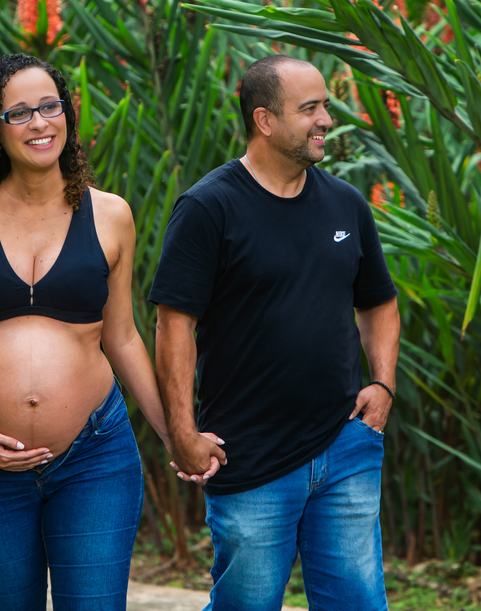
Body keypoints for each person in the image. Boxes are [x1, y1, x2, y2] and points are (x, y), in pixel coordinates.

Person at [0, 54, 202, 611]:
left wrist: (175, 431)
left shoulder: (110, 215)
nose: (39, 123)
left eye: (50, 107)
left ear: (67, 115)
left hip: (94, 458)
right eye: (19, 113)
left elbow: (122, 337)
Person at [150, 54, 401, 611]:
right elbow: (174, 327)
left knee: (357, 603)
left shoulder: (345, 204)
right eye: (309, 109)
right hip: (250, 458)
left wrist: (382, 386)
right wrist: (183, 433)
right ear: (265, 120)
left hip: (346, 446)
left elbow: (380, 304)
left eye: (326, 107)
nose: (326, 121)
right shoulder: (208, 208)